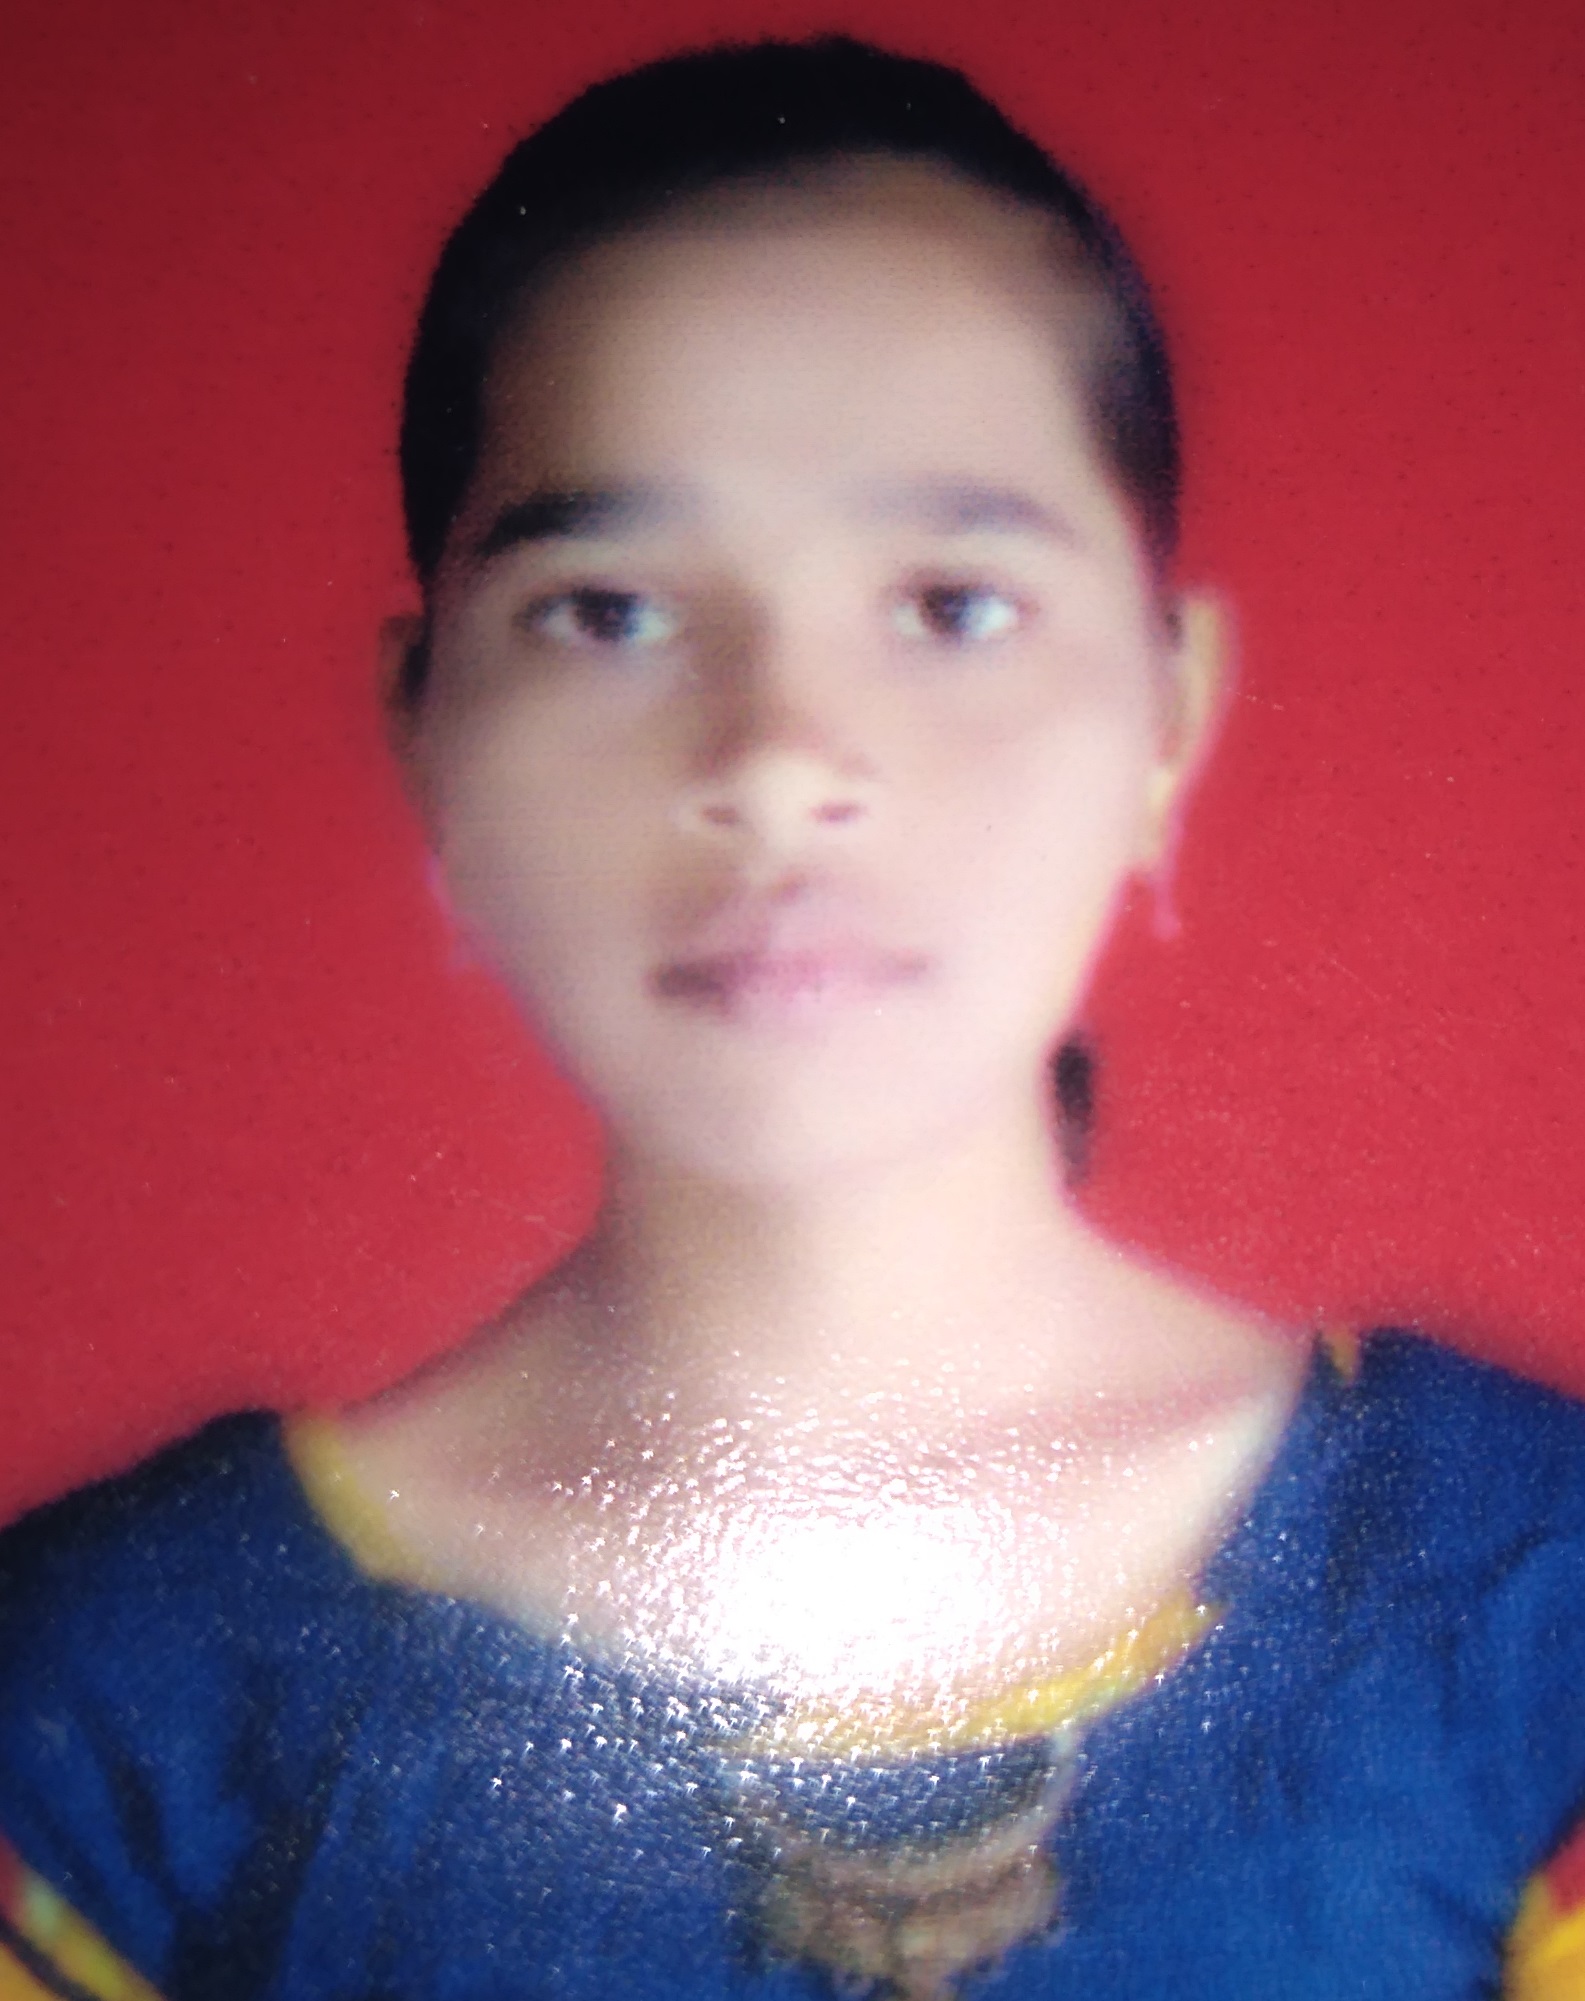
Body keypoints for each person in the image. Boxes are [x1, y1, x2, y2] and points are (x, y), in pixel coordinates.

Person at [1, 36, 1583, 2001]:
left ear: (1166, 716)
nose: (776, 760)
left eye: (949, 604)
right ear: (427, 732)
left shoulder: (1528, 1599)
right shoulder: (106, 1712)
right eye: (607, 610)